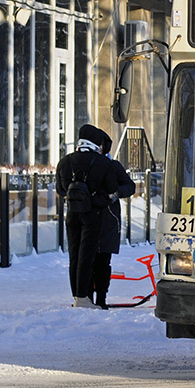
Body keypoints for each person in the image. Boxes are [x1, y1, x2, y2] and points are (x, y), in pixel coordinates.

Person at [55, 124, 129, 309]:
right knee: (88, 256)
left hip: (72, 214)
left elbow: (60, 189)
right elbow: (112, 188)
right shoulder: (105, 164)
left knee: (75, 256)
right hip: (93, 215)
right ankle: (84, 299)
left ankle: (77, 297)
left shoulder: (65, 162)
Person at [92, 133, 136, 309]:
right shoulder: (88, 163)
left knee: (103, 261)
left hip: (108, 220)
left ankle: (101, 298)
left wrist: (116, 193)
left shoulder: (113, 166)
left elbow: (130, 186)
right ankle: (89, 297)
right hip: (93, 218)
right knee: (90, 260)